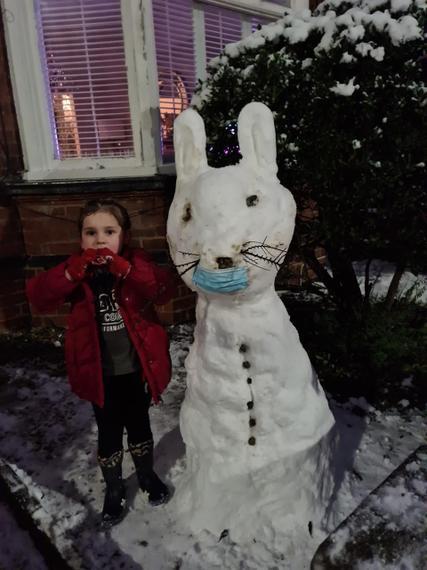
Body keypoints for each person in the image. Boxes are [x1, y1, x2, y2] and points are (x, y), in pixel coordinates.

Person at [26, 198, 176, 529]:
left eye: (109, 231)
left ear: (125, 236)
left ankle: (146, 475)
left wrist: (127, 269)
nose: (99, 240)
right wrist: (70, 273)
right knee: (108, 432)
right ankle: (114, 487)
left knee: (139, 425)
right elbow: (40, 296)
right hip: (100, 375)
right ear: (80, 238)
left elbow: (163, 289)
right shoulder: (77, 272)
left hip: (136, 371)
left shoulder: (136, 263)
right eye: (90, 232)